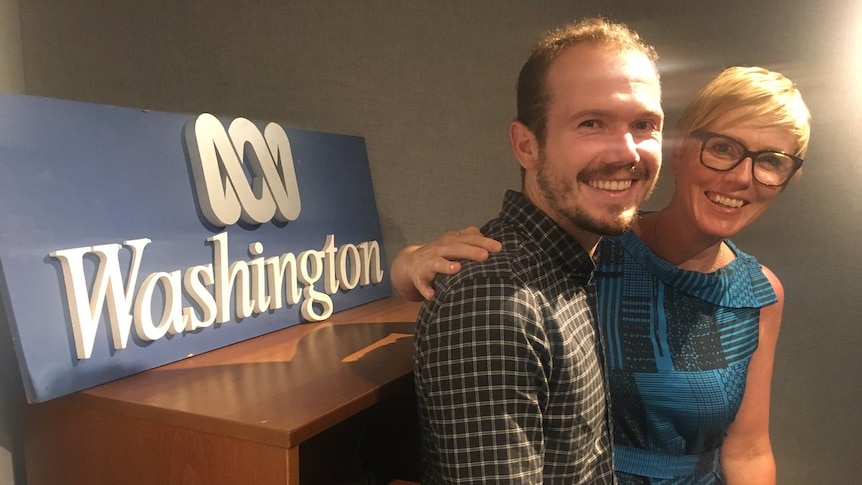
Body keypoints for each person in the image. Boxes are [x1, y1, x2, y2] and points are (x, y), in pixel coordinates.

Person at [393, 65, 811, 484]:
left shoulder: (758, 294)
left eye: (772, 162)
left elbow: (749, 450)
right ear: (679, 151)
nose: (741, 177)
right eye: (723, 149)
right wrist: (410, 261)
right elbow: (472, 274)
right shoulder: (596, 243)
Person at [411, 18, 664, 484]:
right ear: (526, 146)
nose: (627, 151)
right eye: (591, 123)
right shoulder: (493, 302)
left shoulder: (575, 265)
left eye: (644, 124)